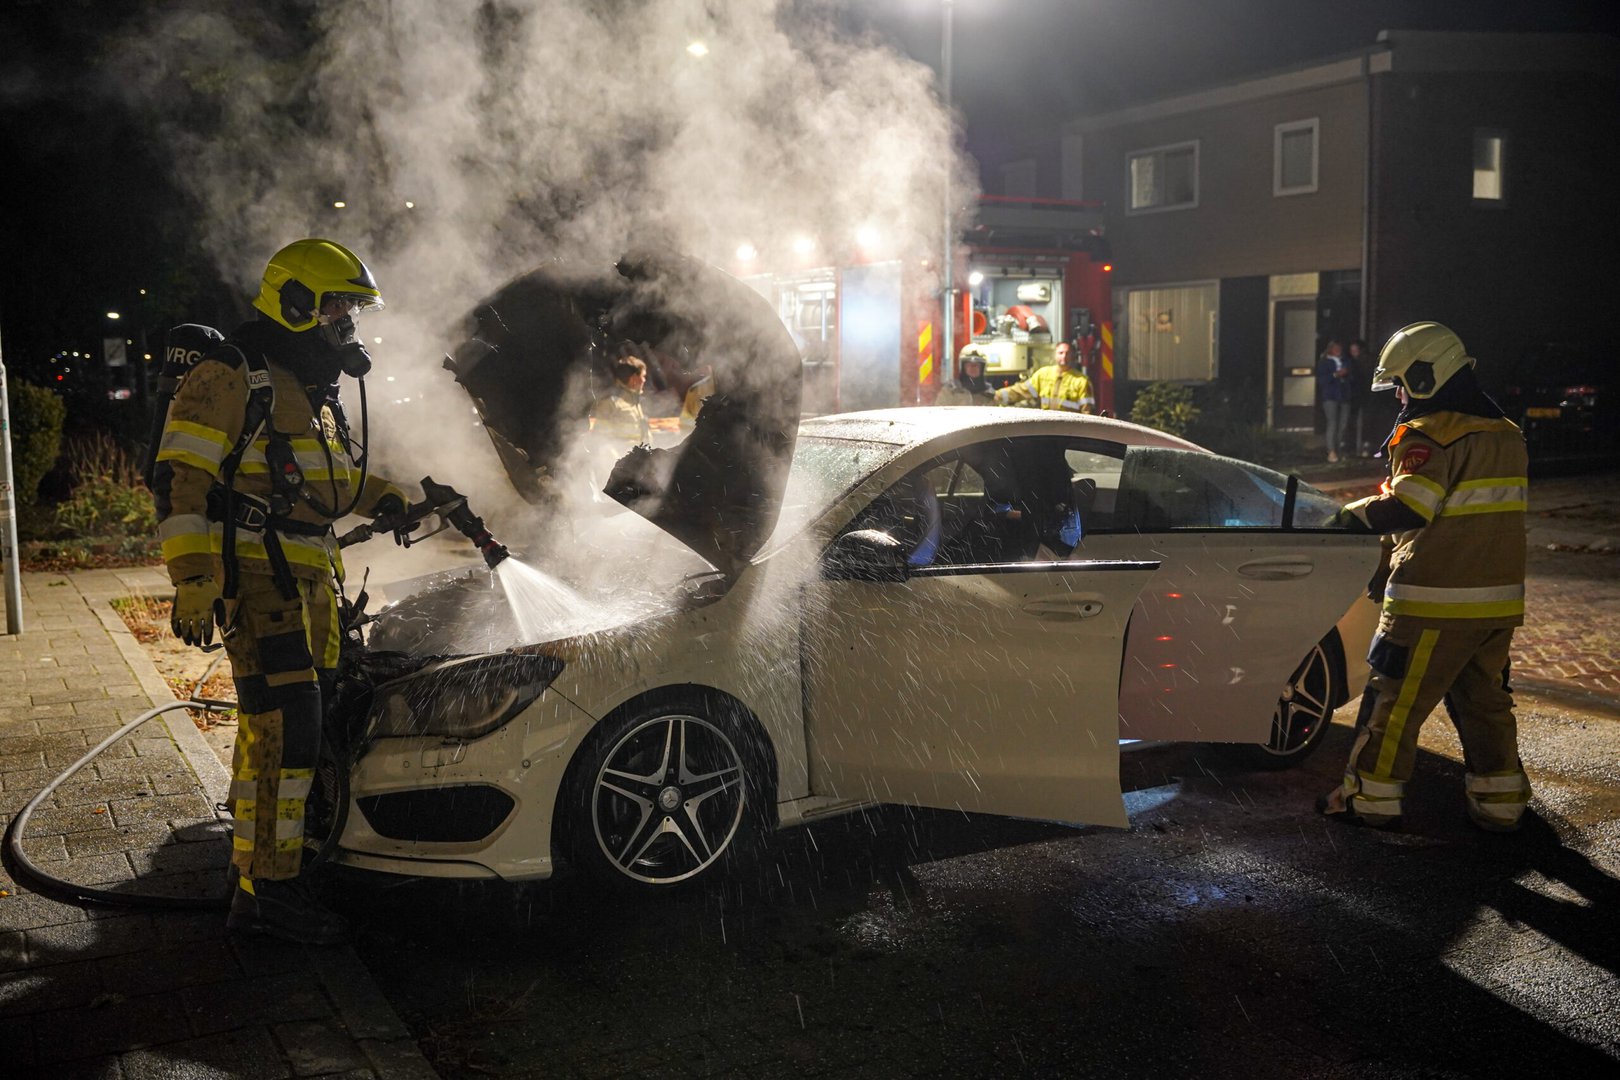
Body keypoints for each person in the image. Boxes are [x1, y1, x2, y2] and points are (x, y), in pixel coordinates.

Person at [158, 238, 411, 944]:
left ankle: (263, 868)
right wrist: (195, 581)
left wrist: (392, 497)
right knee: (285, 724)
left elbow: (326, 486)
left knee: (292, 725)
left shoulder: (311, 385)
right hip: (260, 580)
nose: (347, 325)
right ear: (294, 300)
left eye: (353, 311)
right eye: (337, 308)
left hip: (310, 585)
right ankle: (272, 891)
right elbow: (179, 481)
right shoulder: (232, 373)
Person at [1318, 322, 1531, 833]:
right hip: (1496, 605)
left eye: (1401, 382)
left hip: (1433, 602)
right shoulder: (1506, 433)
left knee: (1392, 704)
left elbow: (1412, 506)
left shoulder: (1429, 433)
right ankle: (1501, 805)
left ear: (1425, 376)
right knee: (1485, 706)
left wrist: (1349, 515)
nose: (1398, 394)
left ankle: (1369, 799)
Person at [993, 341, 1095, 413]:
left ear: (1073, 356)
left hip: (1069, 431)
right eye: (1061, 353)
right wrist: (996, 395)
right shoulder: (1043, 374)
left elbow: (1087, 411)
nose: (1064, 356)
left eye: (1067, 353)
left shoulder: (1081, 381)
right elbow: (1021, 390)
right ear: (1055, 354)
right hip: (1047, 428)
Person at [590, 353, 652, 448]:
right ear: (634, 378)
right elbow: (601, 440)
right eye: (643, 376)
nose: (644, 380)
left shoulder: (634, 401)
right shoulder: (610, 403)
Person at [1317, 339, 1354, 462]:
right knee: (1332, 423)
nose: (1338, 350)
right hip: (1330, 396)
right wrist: (1335, 375)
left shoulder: (1346, 361)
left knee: (1343, 424)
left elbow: (1352, 377)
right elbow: (1322, 380)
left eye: (1340, 348)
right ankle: (1331, 451)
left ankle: (1339, 449)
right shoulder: (1324, 362)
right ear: (1330, 350)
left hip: (1344, 395)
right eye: (1335, 348)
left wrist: (1347, 376)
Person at [1347, 338, 1372, 456]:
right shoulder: (1350, 362)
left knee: (1365, 420)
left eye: (1355, 350)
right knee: (1353, 420)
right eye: (1352, 350)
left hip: (1364, 395)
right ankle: (1353, 444)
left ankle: (1364, 444)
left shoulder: (1365, 362)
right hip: (1354, 396)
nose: (1353, 352)